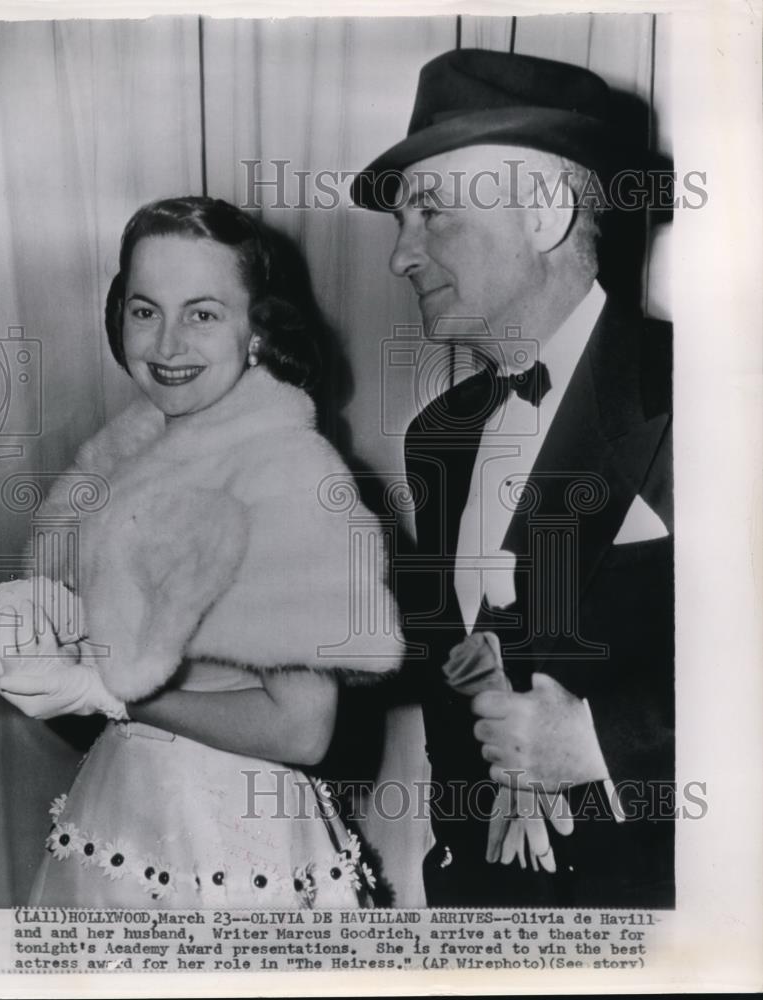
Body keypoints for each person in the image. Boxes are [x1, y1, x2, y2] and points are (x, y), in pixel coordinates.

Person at [0, 196, 402, 909]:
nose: (167, 344)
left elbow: (303, 730)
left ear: (256, 332)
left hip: (233, 839)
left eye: (203, 313)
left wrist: (108, 690)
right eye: (145, 310)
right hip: (125, 807)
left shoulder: (286, 474)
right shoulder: (131, 459)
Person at [351, 49, 673, 907]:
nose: (401, 256)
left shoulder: (712, 394)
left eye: (431, 213)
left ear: (544, 213)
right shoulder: (435, 438)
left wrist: (603, 743)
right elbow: (453, 670)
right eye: (398, 223)